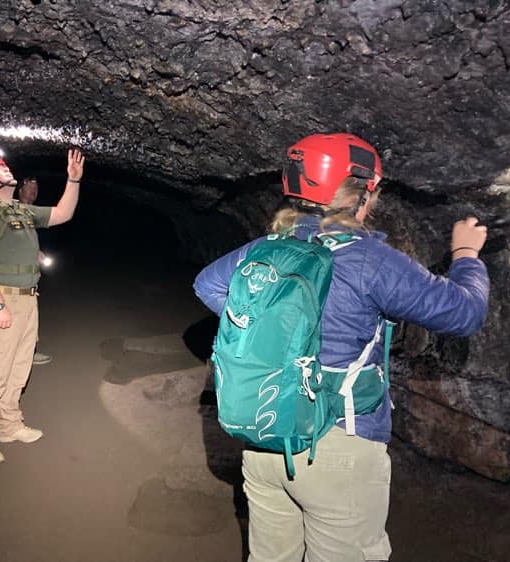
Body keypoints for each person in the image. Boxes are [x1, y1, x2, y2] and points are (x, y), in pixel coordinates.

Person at [193, 132, 489, 561]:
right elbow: (464, 314)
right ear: (361, 193)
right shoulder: (369, 260)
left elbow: (208, 285)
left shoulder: (266, 248)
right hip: (337, 447)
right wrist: (466, 254)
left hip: (266, 433)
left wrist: (270, 331)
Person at [0, 148, 85, 466]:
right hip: (1, 300)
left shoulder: (20, 210)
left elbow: (62, 214)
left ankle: (9, 426)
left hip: (28, 299)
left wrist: (73, 180)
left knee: (18, 368)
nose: (5, 170)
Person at [16, 177, 52, 366]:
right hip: (11, 280)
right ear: (19, 190)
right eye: (30, 187)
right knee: (15, 323)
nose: (33, 191)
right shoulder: (10, 211)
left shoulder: (30, 214)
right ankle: (16, 358)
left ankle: (29, 353)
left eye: (36, 188)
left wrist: (36, 253)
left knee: (29, 319)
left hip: (28, 279)